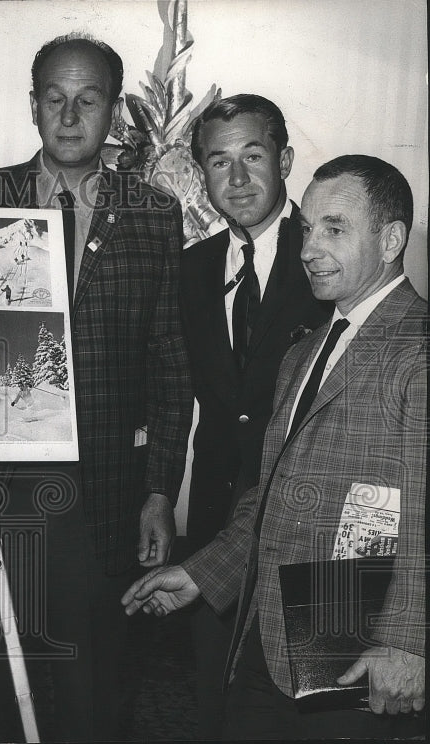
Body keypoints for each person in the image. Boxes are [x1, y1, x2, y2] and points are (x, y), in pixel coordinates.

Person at [0, 33, 191, 741]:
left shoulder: (154, 216)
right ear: (33, 106)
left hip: (94, 490)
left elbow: (170, 365)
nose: (70, 116)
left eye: (89, 99)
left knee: (91, 691)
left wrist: (159, 489)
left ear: (114, 113)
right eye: (54, 98)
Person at [123, 155, 426, 740]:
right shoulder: (303, 352)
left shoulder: (419, 348)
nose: (310, 248)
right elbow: (271, 495)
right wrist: (203, 575)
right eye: (307, 229)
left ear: (390, 239)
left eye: (334, 229)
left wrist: (409, 643)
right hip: (271, 630)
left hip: (368, 640)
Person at [180, 94, 332, 737]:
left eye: (253, 156)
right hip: (217, 515)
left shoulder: (330, 257)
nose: (237, 179)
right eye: (219, 162)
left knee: (315, 695)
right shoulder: (189, 269)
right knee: (216, 698)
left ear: (286, 160)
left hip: (311, 517)